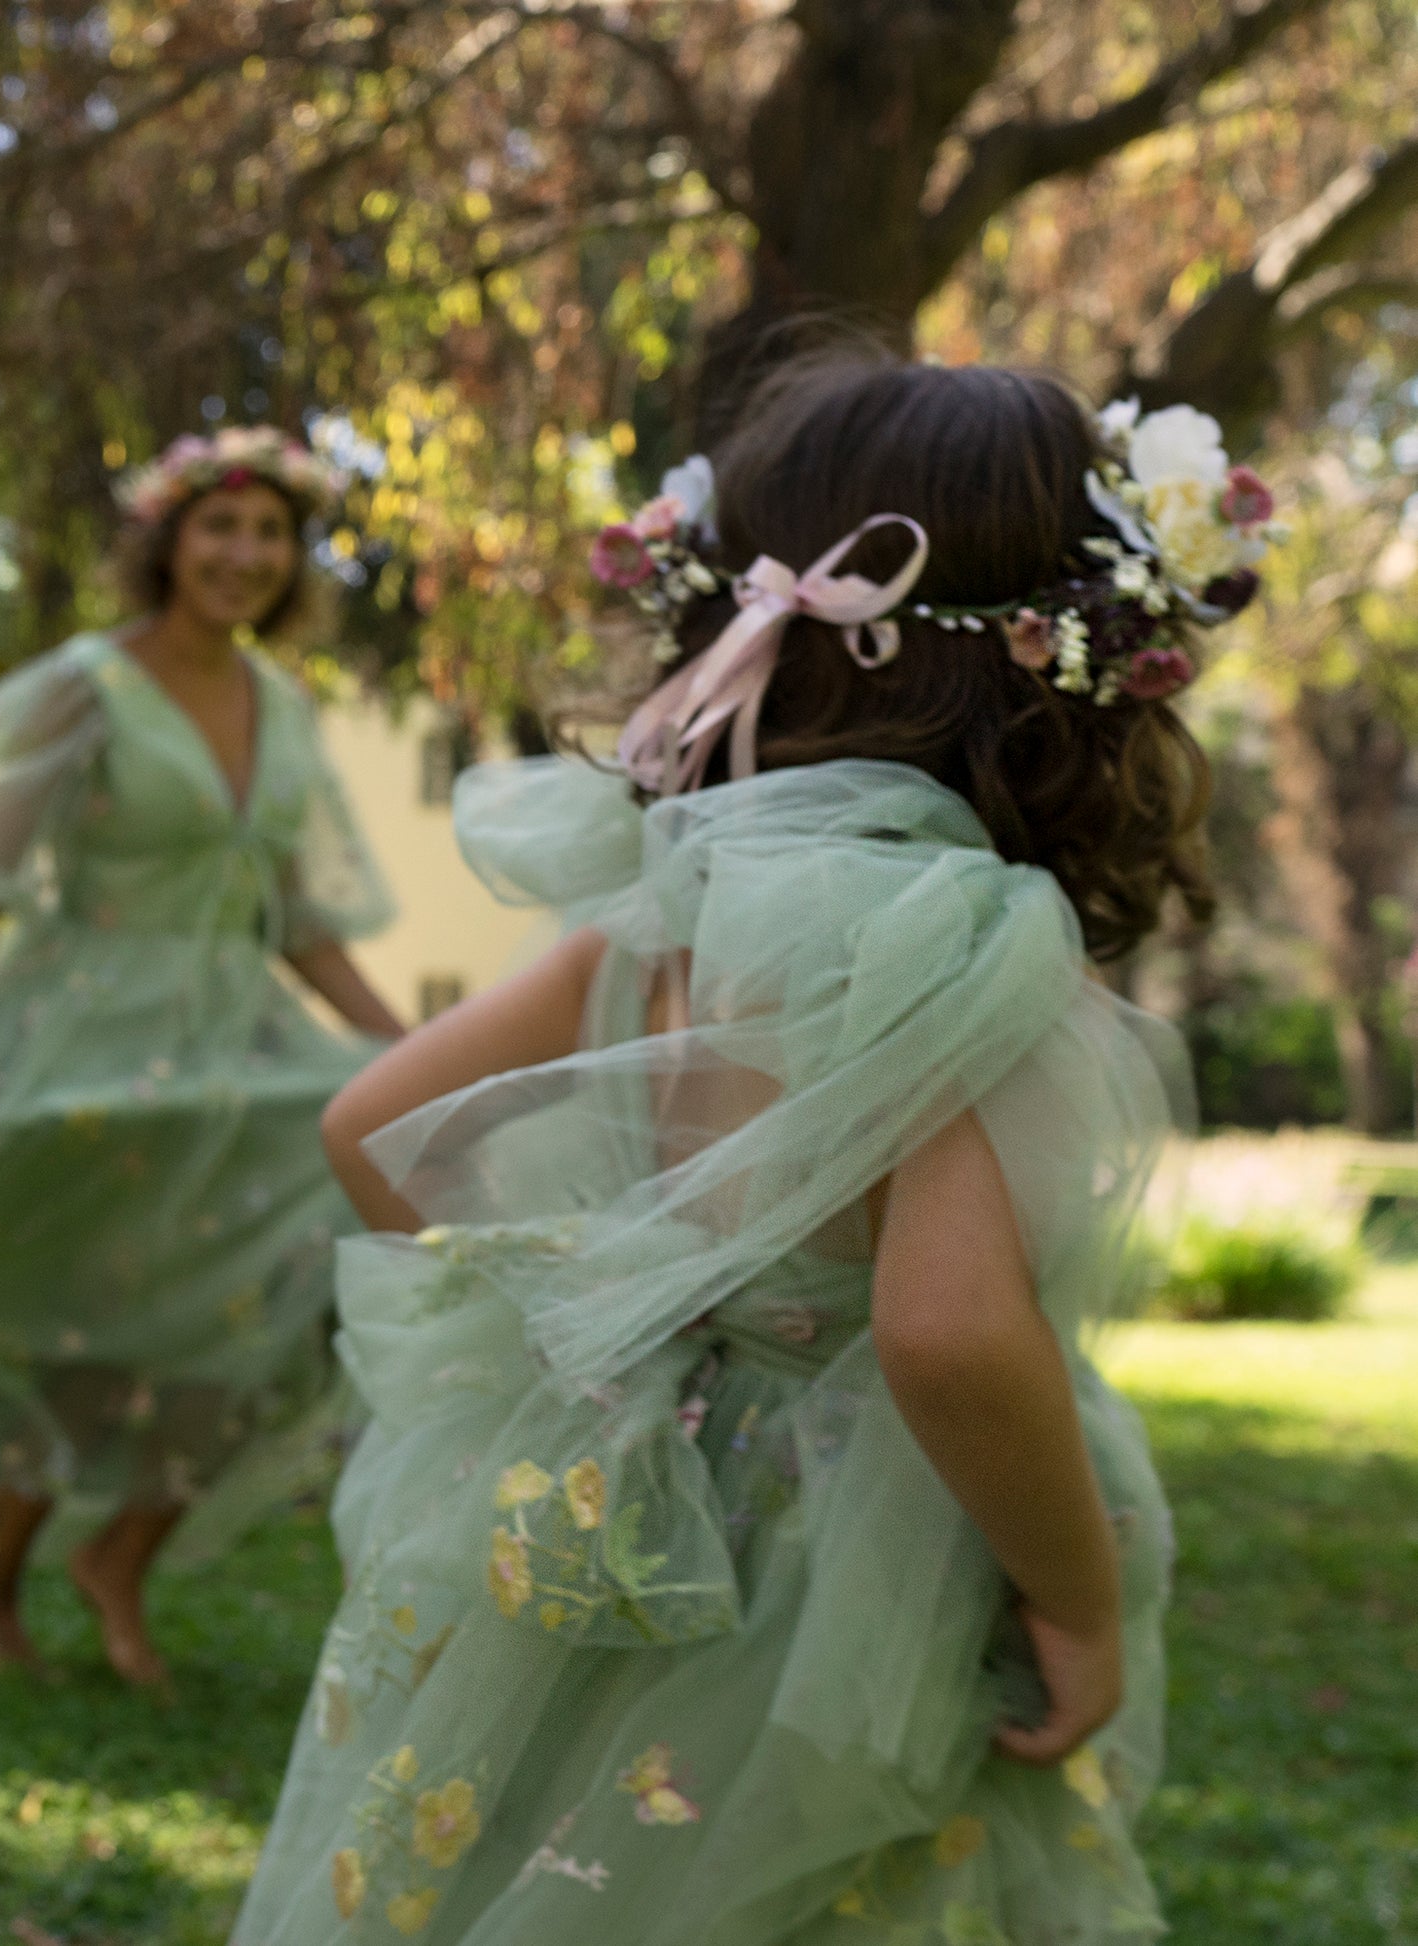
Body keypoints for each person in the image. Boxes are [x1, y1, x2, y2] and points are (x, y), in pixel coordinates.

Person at [232, 355, 1278, 1940]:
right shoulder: (959, 925)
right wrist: (1069, 1595)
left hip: (618, 1493)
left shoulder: (670, 882)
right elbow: (940, 1328)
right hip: (840, 1555)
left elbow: (370, 1125)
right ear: (1074, 649)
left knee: (554, 1860)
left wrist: (597, 1323)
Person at [0, 426, 404, 1684]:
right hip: (87, 1030)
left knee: (292, 1276)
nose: (241, 554)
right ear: (166, 540)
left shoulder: (280, 706)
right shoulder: (87, 683)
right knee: (97, 1309)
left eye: (269, 534)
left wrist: (408, 1043)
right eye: (218, 527)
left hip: (235, 1038)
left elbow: (299, 918)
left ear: (294, 559)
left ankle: (121, 1548)